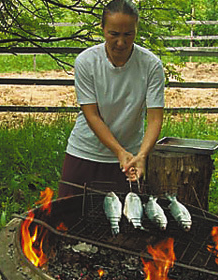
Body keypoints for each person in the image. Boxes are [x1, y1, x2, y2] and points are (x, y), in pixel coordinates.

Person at [58, 0, 165, 198]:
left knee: (124, 221)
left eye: (128, 34)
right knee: (68, 214)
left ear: (136, 29)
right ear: (103, 29)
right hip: (84, 151)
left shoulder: (151, 65)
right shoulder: (86, 61)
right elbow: (92, 115)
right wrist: (118, 151)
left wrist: (141, 156)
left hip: (130, 158)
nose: (121, 42)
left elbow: (155, 118)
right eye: (114, 34)